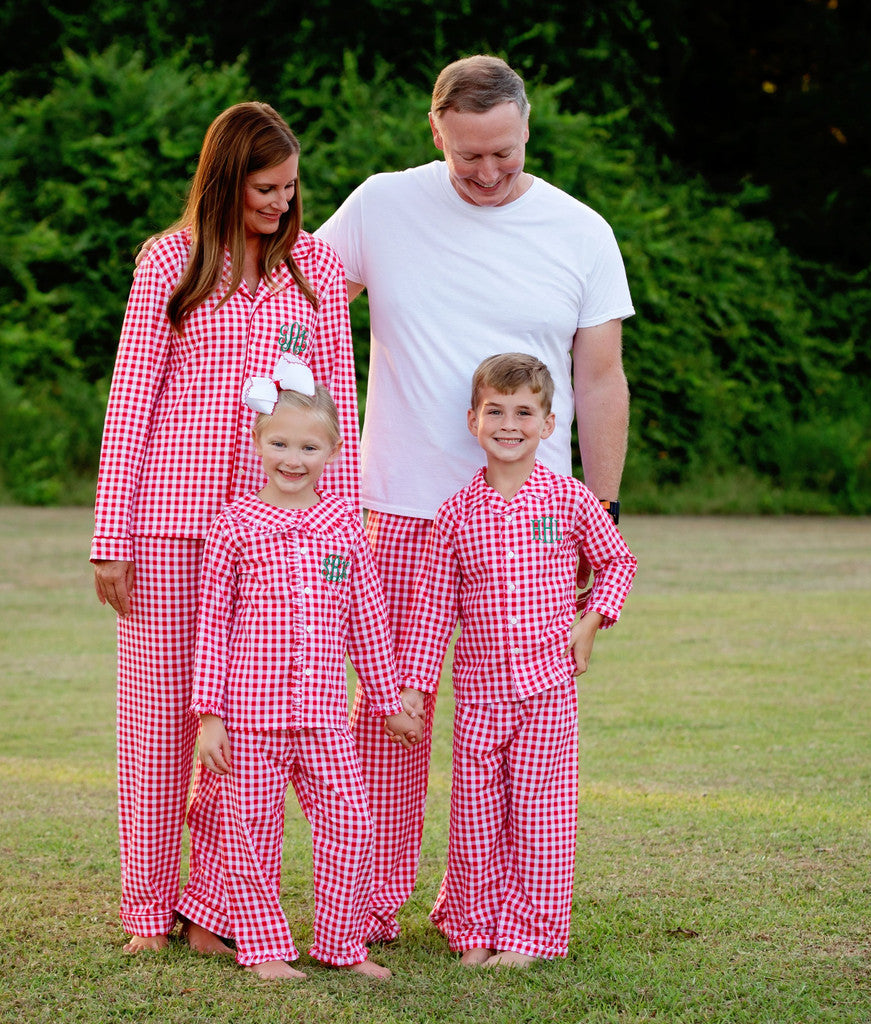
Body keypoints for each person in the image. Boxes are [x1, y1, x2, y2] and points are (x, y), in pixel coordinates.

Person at [314, 54, 634, 942]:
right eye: (469, 159)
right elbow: (297, 309)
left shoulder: (580, 230)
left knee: (524, 736)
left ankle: (506, 905)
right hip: (403, 510)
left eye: (506, 153)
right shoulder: (381, 205)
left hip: (532, 525)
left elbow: (601, 381)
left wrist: (597, 514)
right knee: (392, 721)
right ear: (436, 133)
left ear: (527, 128)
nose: (489, 174)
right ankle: (370, 909)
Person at [91, 101, 361, 954]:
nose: (282, 204)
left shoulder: (314, 270)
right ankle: (146, 912)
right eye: (264, 189)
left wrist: (339, 526)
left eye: (290, 189)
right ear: (223, 182)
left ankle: (215, 910)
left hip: (278, 537)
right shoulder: (170, 262)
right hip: (172, 524)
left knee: (248, 733)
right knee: (160, 722)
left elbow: (338, 411)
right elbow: (131, 401)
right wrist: (112, 535)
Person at [397, 353, 637, 967]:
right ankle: (474, 931)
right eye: (495, 412)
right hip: (478, 695)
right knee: (475, 818)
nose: (510, 424)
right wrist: (415, 689)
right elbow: (432, 609)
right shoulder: (456, 513)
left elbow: (617, 563)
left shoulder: (571, 500)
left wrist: (590, 622)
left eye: (524, 412)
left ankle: (531, 936)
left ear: (549, 424)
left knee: (540, 820)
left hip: (547, 691)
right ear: (473, 421)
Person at [187, 380, 419, 980]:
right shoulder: (234, 527)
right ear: (259, 442)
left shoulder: (344, 527)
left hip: (323, 717)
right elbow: (212, 626)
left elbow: (366, 617)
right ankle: (264, 951)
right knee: (252, 836)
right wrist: (211, 717)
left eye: (309, 448)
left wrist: (387, 699)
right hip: (250, 718)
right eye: (282, 444)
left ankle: (342, 945)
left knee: (351, 825)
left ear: (334, 452)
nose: (294, 459)